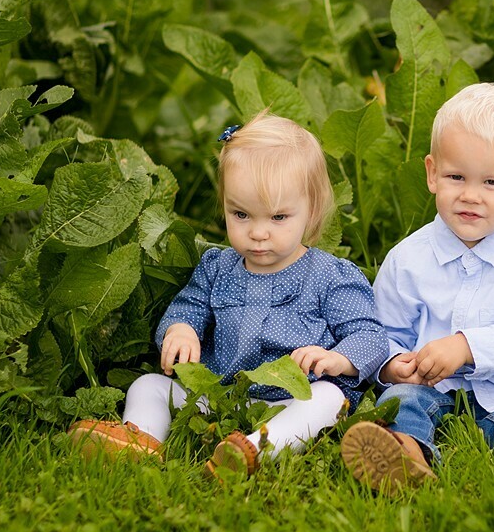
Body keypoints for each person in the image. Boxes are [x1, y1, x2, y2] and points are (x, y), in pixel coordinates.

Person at [69, 112, 389, 480]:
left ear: (311, 211)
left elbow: (370, 335)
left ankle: (256, 449)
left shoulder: (328, 275)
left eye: (278, 218)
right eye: (241, 214)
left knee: (330, 400)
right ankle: (141, 442)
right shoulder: (217, 267)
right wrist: (180, 331)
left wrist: (337, 358)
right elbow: (187, 308)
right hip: (218, 396)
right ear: (224, 206)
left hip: (291, 399)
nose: (258, 233)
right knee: (147, 385)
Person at [340, 83, 494, 494]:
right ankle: (405, 455)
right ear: (432, 173)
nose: (471, 196)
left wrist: (468, 347)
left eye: (492, 183)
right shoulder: (408, 259)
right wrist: (393, 365)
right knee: (401, 401)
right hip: (428, 382)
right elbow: (384, 333)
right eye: (456, 177)